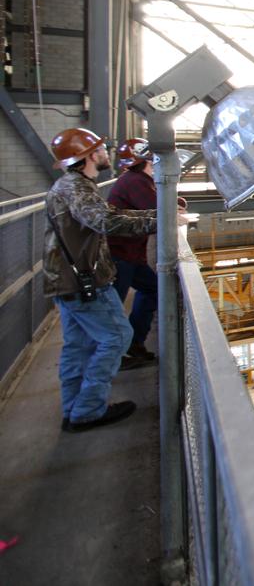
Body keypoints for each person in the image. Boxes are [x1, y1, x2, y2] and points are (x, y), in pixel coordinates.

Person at [45, 128, 157, 432]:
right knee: (117, 337)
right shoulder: (76, 188)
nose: (107, 152)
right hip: (84, 281)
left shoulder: (75, 185)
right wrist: (160, 220)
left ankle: (73, 410)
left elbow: (109, 212)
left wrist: (156, 216)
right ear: (88, 155)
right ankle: (88, 409)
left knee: (78, 346)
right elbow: (105, 220)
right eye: (100, 148)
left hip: (69, 280)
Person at [108, 138, 161, 362]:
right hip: (121, 256)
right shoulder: (136, 182)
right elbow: (158, 207)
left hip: (128, 255)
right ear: (147, 160)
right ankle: (116, 354)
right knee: (112, 311)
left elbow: (159, 204)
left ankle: (133, 343)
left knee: (153, 288)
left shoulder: (136, 180)